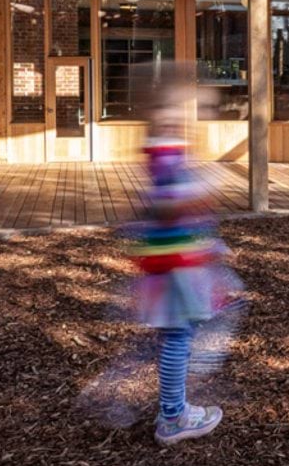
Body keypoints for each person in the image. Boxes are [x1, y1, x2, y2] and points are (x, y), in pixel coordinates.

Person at [82, 65, 245, 446]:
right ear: (159, 109)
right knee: (180, 334)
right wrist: (207, 185)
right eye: (181, 106)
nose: (187, 116)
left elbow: (170, 209)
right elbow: (169, 204)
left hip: (175, 259)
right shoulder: (164, 149)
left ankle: (149, 397)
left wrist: (210, 242)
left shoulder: (165, 146)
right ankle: (172, 414)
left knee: (178, 331)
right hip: (176, 264)